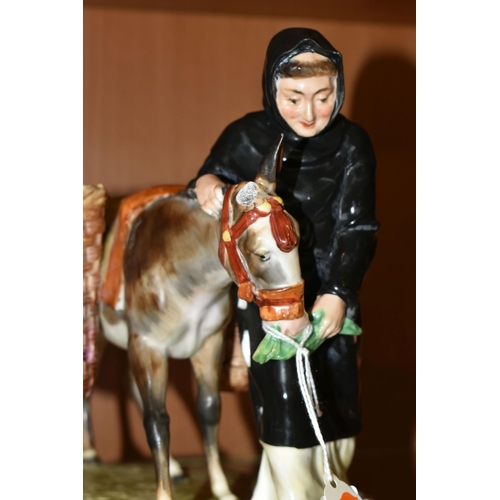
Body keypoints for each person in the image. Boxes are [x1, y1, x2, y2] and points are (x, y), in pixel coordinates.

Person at [190, 27, 379, 499]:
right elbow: (213, 177)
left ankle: (322, 487)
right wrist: (208, 183)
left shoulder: (353, 144)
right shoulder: (246, 134)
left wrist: (338, 293)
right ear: (272, 88)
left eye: (322, 97)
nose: (310, 113)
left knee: (338, 400)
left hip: (331, 295)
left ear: (338, 92)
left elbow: (358, 229)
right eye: (294, 98)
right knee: (284, 400)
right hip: (271, 292)